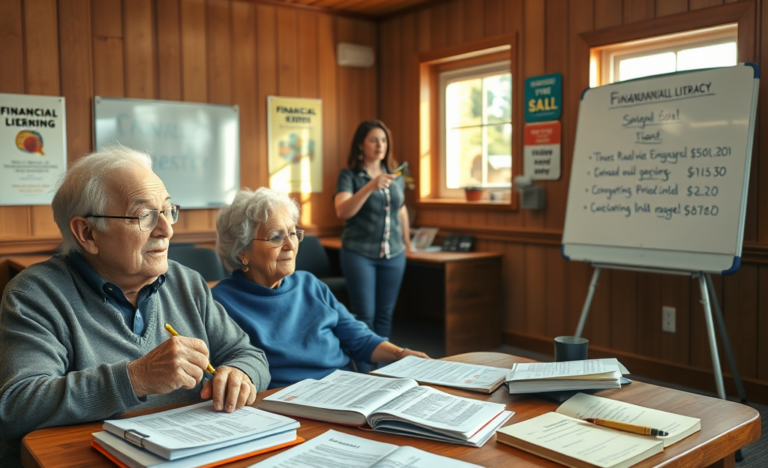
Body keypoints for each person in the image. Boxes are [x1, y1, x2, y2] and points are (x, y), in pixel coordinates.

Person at [0, 147, 270, 467]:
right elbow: (16, 408)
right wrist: (136, 377)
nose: (166, 229)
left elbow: (250, 355)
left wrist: (241, 374)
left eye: (168, 210)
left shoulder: (187, 283)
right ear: (87, 233)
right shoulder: (35, 294)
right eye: (144, 215)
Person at [212, 188, 427, 389]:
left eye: (293, 233)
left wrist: (402, 354)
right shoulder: (221, 303)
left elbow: (360, 339)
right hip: (286, 402)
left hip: (346, 389)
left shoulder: (310, 285)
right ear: (242, 252)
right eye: (276, 237)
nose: (290, 245)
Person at [334, 120, 410, 340]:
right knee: (365, 316)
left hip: (394, 254)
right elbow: (342, 211)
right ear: (361, 145)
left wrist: (408, 242)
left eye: (384, 140)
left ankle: (382, 370)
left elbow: (401, 210)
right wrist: (370, 186)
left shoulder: (396, 177)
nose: (380, 145)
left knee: (385, 316)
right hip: (359, 253)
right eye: (374, 140)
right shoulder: (349, 176)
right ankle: (364, 370)